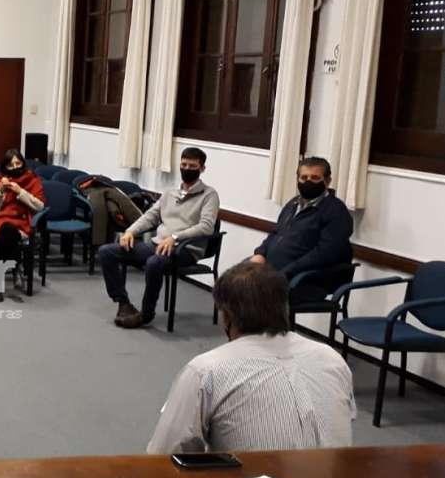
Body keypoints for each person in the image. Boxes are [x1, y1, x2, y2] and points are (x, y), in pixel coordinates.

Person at [146, 262, 355, 454]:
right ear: (284, 307)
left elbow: (164, 455)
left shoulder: (206, 371)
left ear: (227, 316)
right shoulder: (332, 359)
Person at [97, 147, 220, 328]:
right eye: (184, 164)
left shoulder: (209, 195)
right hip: (157, 245)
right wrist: (130, 231)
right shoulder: (170, 193)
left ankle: (146, 314)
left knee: (154, 263)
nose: (187, 169)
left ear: (202, 169)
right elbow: (150, 216)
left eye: (192, 166)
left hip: (185, 250)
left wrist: (175, 237)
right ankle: (123, 303)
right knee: (106, 252)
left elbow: (207, 226)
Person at [249, 156, 354, 305]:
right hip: (274, 270)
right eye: (304, 178)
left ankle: (261, 320)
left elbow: (325, 254)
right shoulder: (293, 204)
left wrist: (286, 271)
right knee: (230, 282)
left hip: (307, 280)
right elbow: (276, 233)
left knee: (248, 293)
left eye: (315, 178)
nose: (308, 182)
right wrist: (260, 253)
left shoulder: (336, 211)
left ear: (327, 181)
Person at [0, 149, 44, 302]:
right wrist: (0, 190)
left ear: (23, 163)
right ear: (5, 167)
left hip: (21, 223)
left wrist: (20, 191)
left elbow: (39, 206)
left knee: (8, 235)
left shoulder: (32, 180)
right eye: (11, 165)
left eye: (18, 163)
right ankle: (16, 266)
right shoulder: (0, 179)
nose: (15, 167)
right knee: (6, 230)